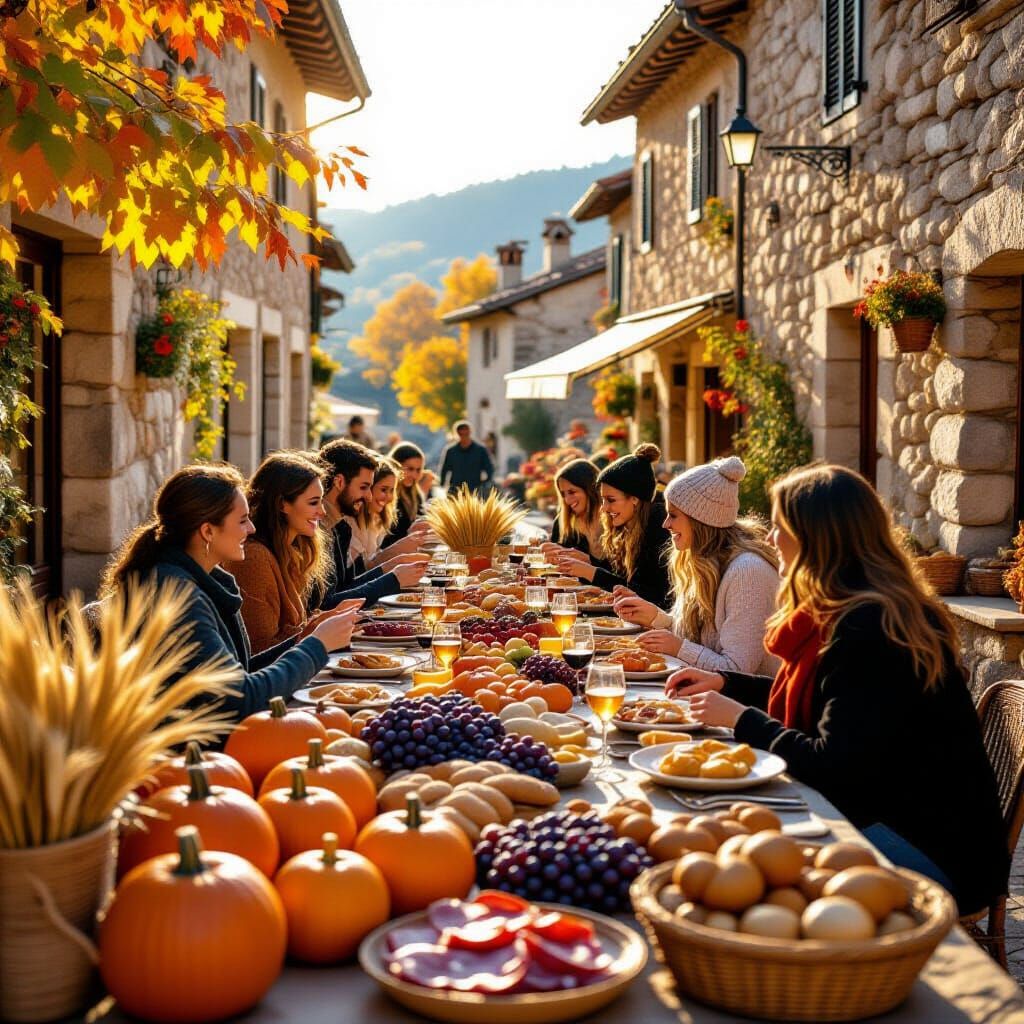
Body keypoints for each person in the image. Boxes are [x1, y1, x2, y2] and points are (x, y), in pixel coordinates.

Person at [665, 464, 1008, 915]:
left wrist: (740, 719)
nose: (770, 539)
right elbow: (833, 707)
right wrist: (729, 684)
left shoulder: (871, 628)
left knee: (737, 858)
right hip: (891, 811)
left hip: (930, 848)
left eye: (781, 527)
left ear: (816, 538)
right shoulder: (856, 607)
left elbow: (833, 768)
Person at [99, 464, 357, 720]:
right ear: (207, 531)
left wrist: (305, 638)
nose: (251, 529)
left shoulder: (194, 579)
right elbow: (241, 699)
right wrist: (317, 646)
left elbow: (240, 673)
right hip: (193, 751)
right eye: (243, 520)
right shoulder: (178, 595)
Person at [613, 457, 779, 675]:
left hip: (748, 705)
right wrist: (656, 618)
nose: (665, 524)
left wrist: (677, 647)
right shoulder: (699, 560)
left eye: (673, 515)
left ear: (700, 521)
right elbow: (697, 640)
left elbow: (737, 672)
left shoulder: (747, 572)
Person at [227, 452, 335, 654]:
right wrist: (316, 632)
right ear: (282, 504)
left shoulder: (292, 550)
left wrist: (325, 621)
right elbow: (259, 650)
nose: (323, 511)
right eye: (313, 502)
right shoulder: (254, 557)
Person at [554, 444, 672, 608]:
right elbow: (620, 576)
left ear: (634, 499)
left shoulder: (659, 529)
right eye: (603, 500)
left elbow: (649, 594)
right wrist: (589, 561)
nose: (604, 508)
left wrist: (591, 571)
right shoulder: (627, 526)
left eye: (611, 500)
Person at [318, 438, 427, 608]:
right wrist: (392, 578)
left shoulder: (340, 528)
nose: (369, 496)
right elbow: (326, 605)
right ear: (339, 482)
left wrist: (389, 567)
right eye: (363, 487)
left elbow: (345, 588)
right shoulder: (319, 529)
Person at [348, 457, 429, 571]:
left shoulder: (377, 520)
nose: (389, 497)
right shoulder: (350, 525)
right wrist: (397, 549)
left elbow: (375, 558)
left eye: (392, 491)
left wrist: (410, 534)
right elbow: (358, 573)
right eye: (384, 490)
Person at [540, 458, 604, 560]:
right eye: (563, 494)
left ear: (590, 489)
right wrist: (550, 554)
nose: (567, 500)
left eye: (572, 492)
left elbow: (620, 574)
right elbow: (555, 570)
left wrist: (587, 561)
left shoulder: (615, 521)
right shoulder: (562, 523)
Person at [385, 442, 427, 544]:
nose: (414, 475)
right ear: (395, 466)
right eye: (410, 469)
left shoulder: (417, 495)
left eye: (418, 470)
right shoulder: (385, 493)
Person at [438, 420, 494, 495]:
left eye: (466, 433)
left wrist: (486, 482)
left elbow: (489, 467)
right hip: (456, 490)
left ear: (470, 432)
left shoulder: (480, 450)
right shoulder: (450, 451)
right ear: (457, 434)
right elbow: (444, 469)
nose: (464, 436)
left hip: (475, 490)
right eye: (461, 433)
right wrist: (442, 484)